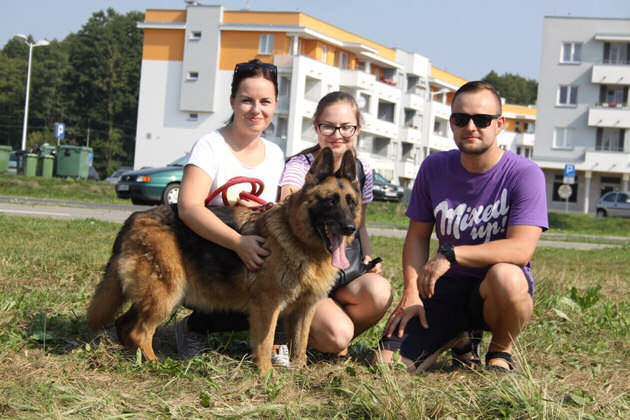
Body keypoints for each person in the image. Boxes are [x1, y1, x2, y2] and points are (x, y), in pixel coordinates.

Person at [376, 81, 548, 373]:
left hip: (493, 292)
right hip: (443, 290)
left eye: (482, 120)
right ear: (451, 123)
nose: (471, 126)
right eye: (461, 119)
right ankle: (460, 336)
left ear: (499, 124)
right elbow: (417, 236)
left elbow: (521, 249)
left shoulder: (524, 173)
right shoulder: (434, 167)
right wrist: (411, 294)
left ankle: (500, 351)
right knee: (386, 367)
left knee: (507, 276)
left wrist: (450, 255)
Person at [174, 59, 289, 365]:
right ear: (232, 102)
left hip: (255, 260)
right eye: (247, 100)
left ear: (275, 104)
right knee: (256, 290)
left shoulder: (276, 154)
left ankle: (271, 341)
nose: (256, 110)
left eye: (265, 101)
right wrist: (238, 244)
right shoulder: (210, 146)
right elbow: (188, 207)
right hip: (207, 259)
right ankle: (192, 328)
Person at [279, 91, 392, 356]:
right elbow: (288, 206)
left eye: (346, 127)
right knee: (338, 335)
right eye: (328, 126)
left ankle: (322, 338)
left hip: (343, 268)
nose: (337, 134)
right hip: (309, 269)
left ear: (357, 129)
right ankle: (320, 336)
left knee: (379, 292)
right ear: (316, 127)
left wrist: (367, 255)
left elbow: (359, 222)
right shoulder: (300, 165)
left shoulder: (362, 169)